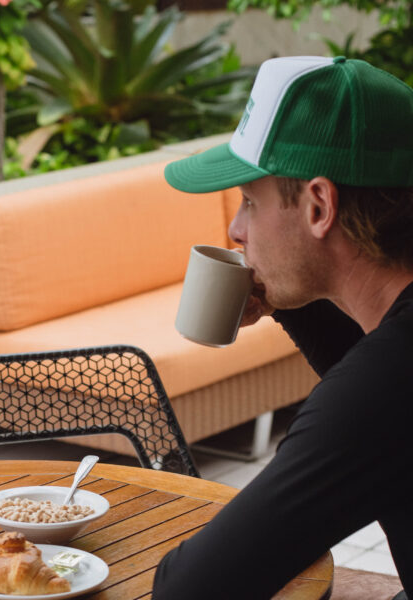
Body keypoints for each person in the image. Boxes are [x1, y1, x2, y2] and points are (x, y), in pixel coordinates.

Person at [154, 55, 413, 600]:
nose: (235, 228)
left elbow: (193, 589)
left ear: (319, 205)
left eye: (250, 201)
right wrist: (283, 298)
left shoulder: (386, 387)